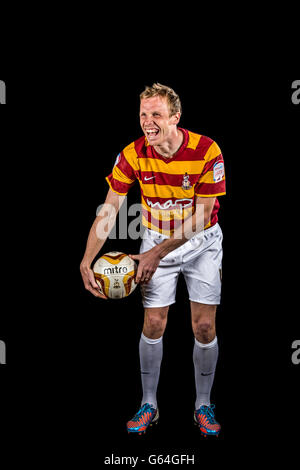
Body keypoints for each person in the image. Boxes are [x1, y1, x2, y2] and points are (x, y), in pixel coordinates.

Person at [80, 83, 226, 437]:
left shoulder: (207, 150)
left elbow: (201, 217)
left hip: (201, 243)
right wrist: (87, 260)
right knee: (154, 325)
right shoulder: (133, 153)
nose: (147, 121)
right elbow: (110, 207)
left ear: (176, 117)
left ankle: (203, 404)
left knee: (204, 327)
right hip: (155, 239)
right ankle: (149, 404)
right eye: (143, 114)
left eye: (156, 114)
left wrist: (153, 255)